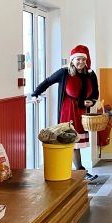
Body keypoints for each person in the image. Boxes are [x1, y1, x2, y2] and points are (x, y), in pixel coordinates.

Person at [31, 45, 99, 176]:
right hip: (68, 111)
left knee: (76, 143)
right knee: (71, 141)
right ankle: (80, 171)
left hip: (82, 112)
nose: (81, 62)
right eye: (78, 59)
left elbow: (95, 92)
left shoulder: (90, 74)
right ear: (72, 60)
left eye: (83, 60)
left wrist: (92, 101)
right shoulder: (64, 72)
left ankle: (77, 171)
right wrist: (35, 94)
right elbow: (48, 81)